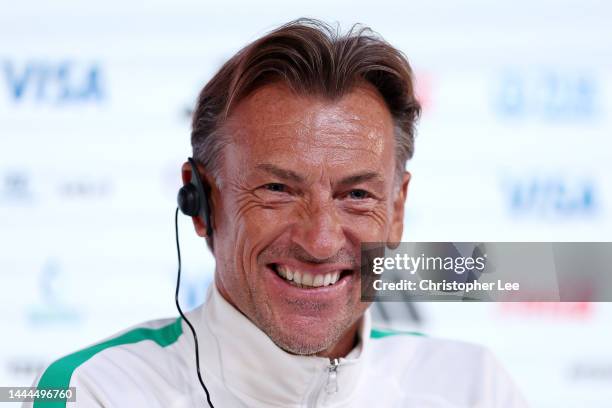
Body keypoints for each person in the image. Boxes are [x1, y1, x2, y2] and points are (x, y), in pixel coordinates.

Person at [28, 19, 528, 407]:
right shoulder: (92, 390)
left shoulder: (475, 388)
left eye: (357, 195)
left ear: (397, 209)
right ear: (201, 202)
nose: (320, 241)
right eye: (277, 189)